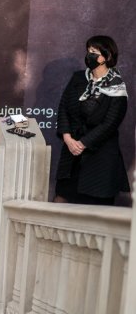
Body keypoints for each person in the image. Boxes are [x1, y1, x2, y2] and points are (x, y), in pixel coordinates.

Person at [53, 35, 129, 205]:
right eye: (88, 51)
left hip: (100, 158)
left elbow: (110, 124)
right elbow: (64, 107)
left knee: (96, 209)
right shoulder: (78, 78)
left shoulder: (117, 87)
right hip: (72, 154)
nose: (89, 55)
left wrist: (82, 144)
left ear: (107, 56)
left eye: (94, 52)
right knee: (61, 199)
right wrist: (68, 138)